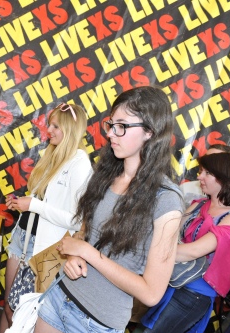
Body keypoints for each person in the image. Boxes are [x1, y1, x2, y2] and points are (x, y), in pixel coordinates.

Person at [34, 86, 184, 333]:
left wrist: (88, 253)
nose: (112, 134)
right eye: (111, 124)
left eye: (122, 126)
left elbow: (151, 292)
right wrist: (75, 255)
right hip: (58, 297)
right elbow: (82, 234)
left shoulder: (166, 200)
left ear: (150, 131)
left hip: (95, 324)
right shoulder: (105, 175)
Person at [0, 103, 92, 332]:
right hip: (23, 236)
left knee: (22, 314)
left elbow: (76, 220)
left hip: (43, 250)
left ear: (70, 128)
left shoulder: (80, 163)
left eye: (55, 126)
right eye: (49, 124)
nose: (48, 130)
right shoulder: (53, 154)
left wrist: (34, 204)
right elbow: (43, 200)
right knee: (8, 306)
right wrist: (25, 204)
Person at [141, 152, 230, 333]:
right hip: (169, 281)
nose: (199, 176)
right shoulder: (199, 204)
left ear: (224, 178)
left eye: (207, 173)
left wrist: (148, 249)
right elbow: (168, 232)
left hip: (194, 294)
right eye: (201, 172)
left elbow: (193, 251)